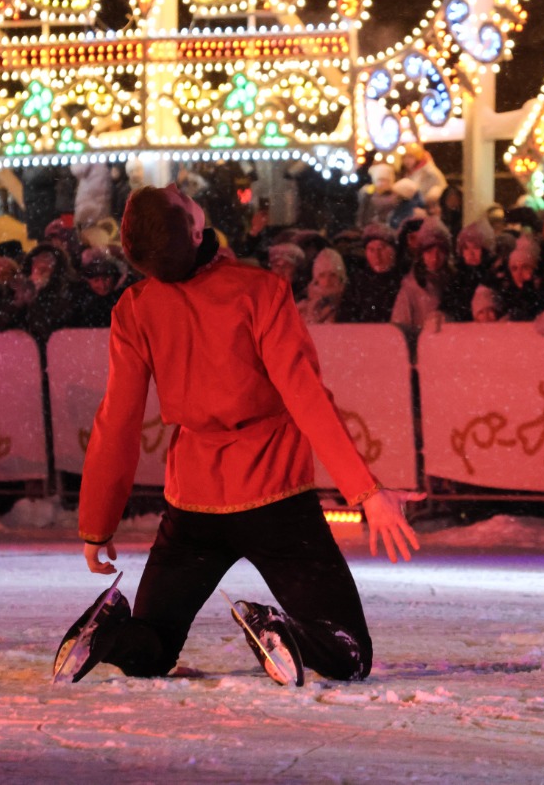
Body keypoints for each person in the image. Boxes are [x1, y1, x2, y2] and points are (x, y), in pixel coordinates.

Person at [64, 184, 422, 685]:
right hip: (275, 500)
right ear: (193, 229)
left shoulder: (135, 307)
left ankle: (111, 634)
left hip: (192, 508)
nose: (181, 189)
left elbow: (117, 420)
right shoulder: (259, 291)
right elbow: (307, 398)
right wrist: (366, 491)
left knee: (153, 645)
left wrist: (96, 523)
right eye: (179, 197)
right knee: (349, 653)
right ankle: (280, 629)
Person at [338, 223, 403, 323]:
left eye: (382, 248)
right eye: (371, 250)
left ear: (394, 250)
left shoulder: (405, 280)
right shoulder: (357, 282)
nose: (377, 255)